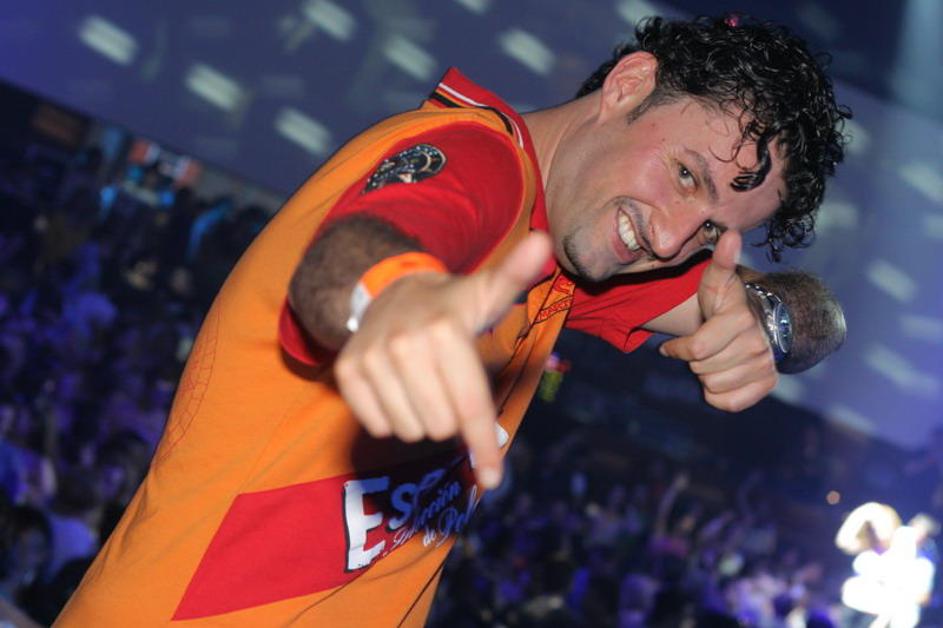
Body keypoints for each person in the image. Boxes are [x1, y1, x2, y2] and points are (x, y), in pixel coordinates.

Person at [58, 14, 849, 626]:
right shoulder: (476, 163)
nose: (674, 238)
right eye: (683, 174)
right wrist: (393, 302)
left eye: (711, 231)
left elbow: (821, 326)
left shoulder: (575, 255)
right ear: (627, 85)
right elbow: (364, 249)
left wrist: (773, 319)